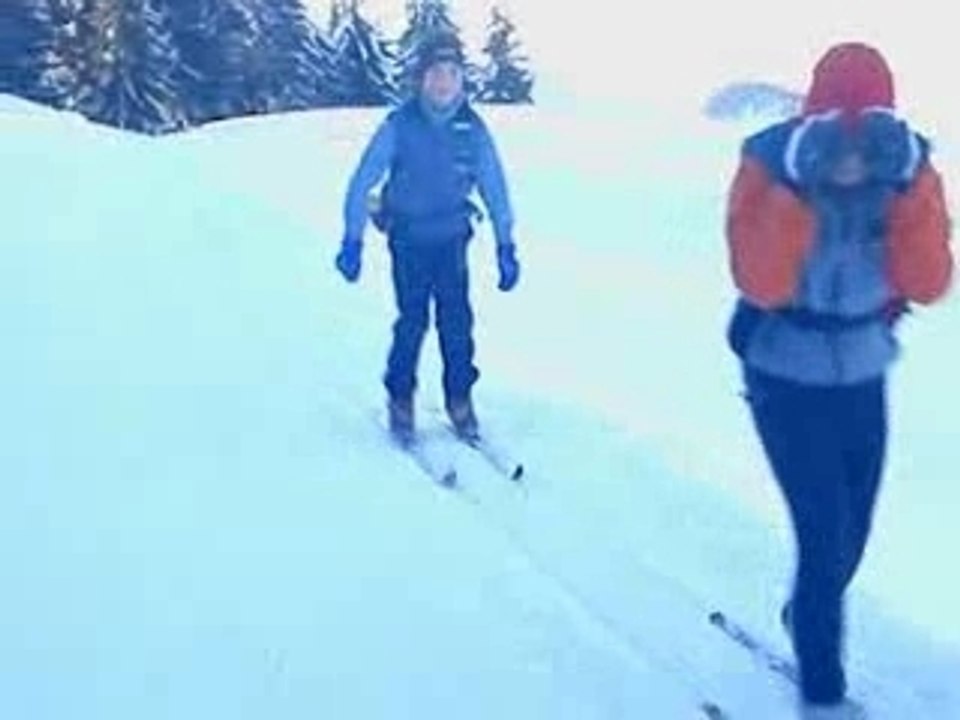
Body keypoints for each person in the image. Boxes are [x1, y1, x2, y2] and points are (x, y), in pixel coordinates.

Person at [723, 42, 952, 718]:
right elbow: (760, 280)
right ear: (814, 119)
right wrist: (796, 185)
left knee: (852, 532)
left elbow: (929, 283)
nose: (854, 151)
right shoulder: (768, 163)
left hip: (863, 371)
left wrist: (911, 190)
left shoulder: (903, 168)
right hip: (783, 374)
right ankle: (822, 685)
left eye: (867, 127)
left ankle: (808, 612)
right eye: (838, 128)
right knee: (823, 533)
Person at [333, 32, 520, 444]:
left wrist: (506, 245)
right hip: (409, 239)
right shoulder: (401, 125)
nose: (443, 82)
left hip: (452, 240)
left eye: (452, 74)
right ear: (421, 79)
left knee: (457, 323)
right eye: (436, 73)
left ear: (461, 81)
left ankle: (460, 398)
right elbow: (363, 180)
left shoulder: (472, 129)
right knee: (412, 321)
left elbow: (495, 187)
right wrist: (353, 240)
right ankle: (400, 396)